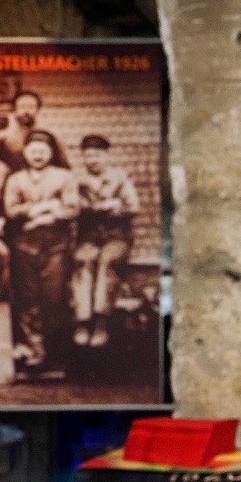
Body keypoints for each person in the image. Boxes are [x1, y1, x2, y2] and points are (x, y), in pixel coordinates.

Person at [3, 130, 80, 379]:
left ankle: (56, 359)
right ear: (25, 153)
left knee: (54, 299)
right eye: (33, 150)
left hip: (56, 245)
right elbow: (11, 210)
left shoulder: (64, 177)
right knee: (28, 299)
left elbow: (72, 208)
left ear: (51, 153)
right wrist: (41, 207)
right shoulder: (15, 179)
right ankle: (34, 355)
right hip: (24, 245)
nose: (38, 155)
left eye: (43, 151)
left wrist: (47, 215)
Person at [71, 134, 139, 348]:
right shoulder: (77, 181)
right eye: (88, 156)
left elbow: (132, 207)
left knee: (107, 262)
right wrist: (102, 207)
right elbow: (75, 208)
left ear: (106, 156)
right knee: (83, 261)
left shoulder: (120, 178)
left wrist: (114, 206)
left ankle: (101, 322)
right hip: (89, 238)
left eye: (97, 155)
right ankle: (83, 322)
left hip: (116, 236)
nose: (92, 160)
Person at [0, 91, 69, 171]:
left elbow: (63, 161)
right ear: (15, 110)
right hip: (12, 177)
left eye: (31, 107)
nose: (26, 111)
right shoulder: (5, 131)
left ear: (38, 110)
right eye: (22, 107)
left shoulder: (49, 133)